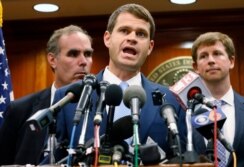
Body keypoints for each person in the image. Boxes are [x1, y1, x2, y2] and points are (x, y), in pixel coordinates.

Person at [54, 3, 186, 165]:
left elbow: (183, 158)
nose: (132, 38)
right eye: (124, 31)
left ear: (150, 47)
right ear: (107, 38)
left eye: (141, 34)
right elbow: (54, 158)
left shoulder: (172, 100)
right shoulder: (70, 97)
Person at [0, 25, 94, 165]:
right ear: (52, 60)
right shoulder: (20, 110)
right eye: (73, 54)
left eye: (87, 54)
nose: (83, 62)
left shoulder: (100, 108)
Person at [191, 32, 244, 167]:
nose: (211, 60)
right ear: (196, 67)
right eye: (204, 56)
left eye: (217, 53)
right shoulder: (186, 113)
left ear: (231, 61)